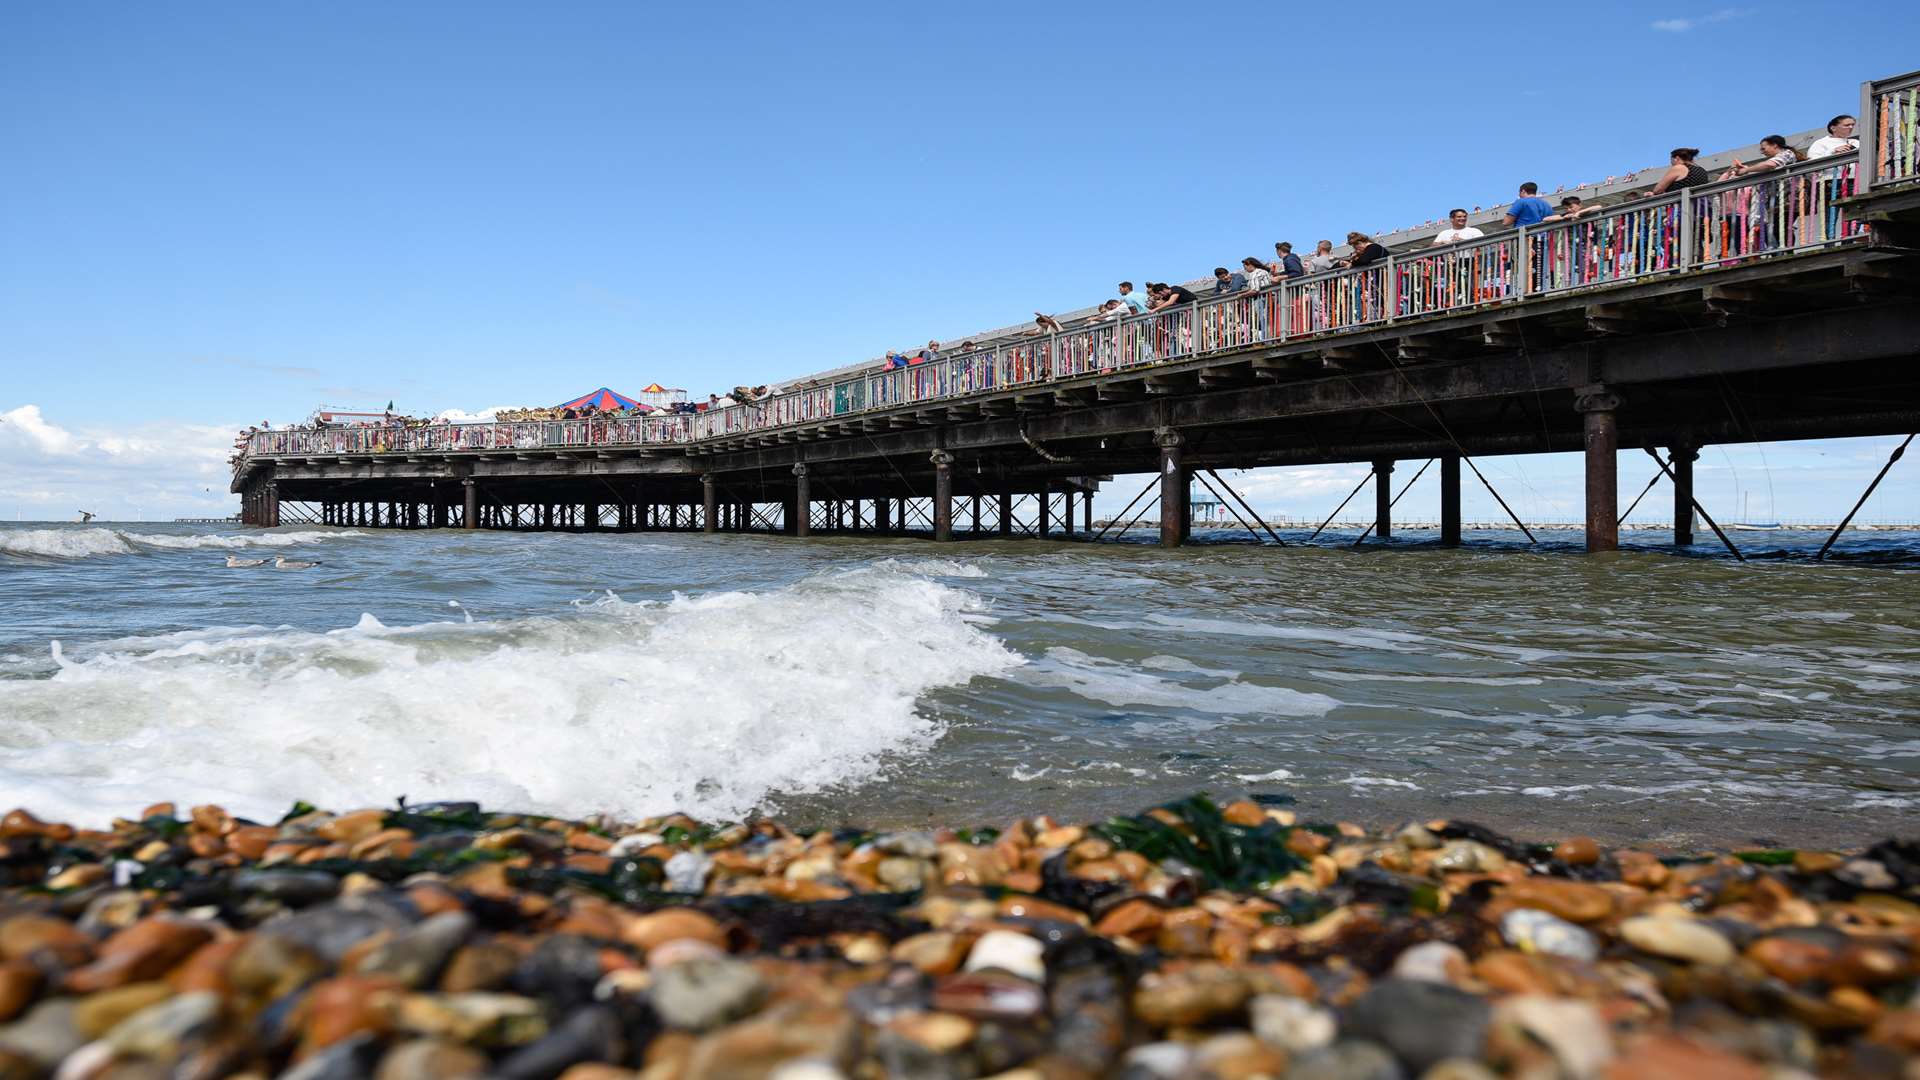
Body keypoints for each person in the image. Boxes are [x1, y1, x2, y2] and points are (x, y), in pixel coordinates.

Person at [1720, 134, 1797, 180]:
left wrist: (1746, 170)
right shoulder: (1781, 156)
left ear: (1774, 145)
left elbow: (1769, 165)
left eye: (1763, 149)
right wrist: (1747, 169)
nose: (1762, 152)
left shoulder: (1787, 153)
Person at [1639, 148, 1709, 197]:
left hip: (1684, 208)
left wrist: (1653, 193)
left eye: (1671, 161)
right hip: (1702, 207)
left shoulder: (1679, 167)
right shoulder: (1702, 170)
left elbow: (1658, 190)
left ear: (1677, 158)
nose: (1671, 164)